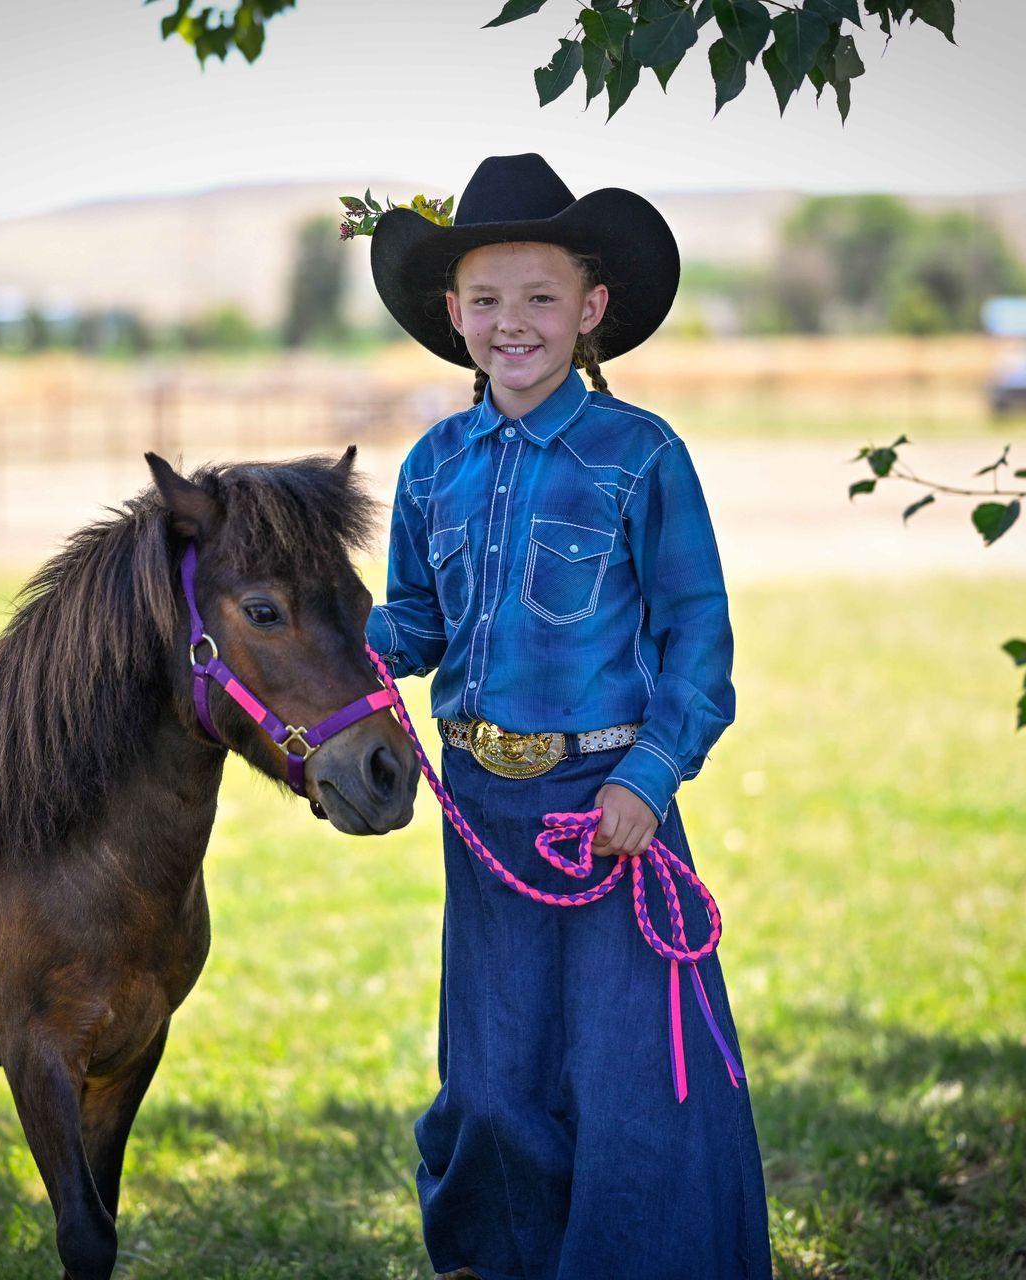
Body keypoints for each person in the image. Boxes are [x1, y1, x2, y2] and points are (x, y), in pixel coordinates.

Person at [363, 153, 773, 1280]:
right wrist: (327, 635)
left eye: (541, 296)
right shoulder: (433, 465)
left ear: (592, 308)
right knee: (493, 1086)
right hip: (483, 814)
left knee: (635, 1088)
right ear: (452, 315)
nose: (513, 323)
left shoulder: (642, 455)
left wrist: (645, 778)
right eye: (486, 300)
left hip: (606, 811)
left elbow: (700, 638)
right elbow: (415, 625)